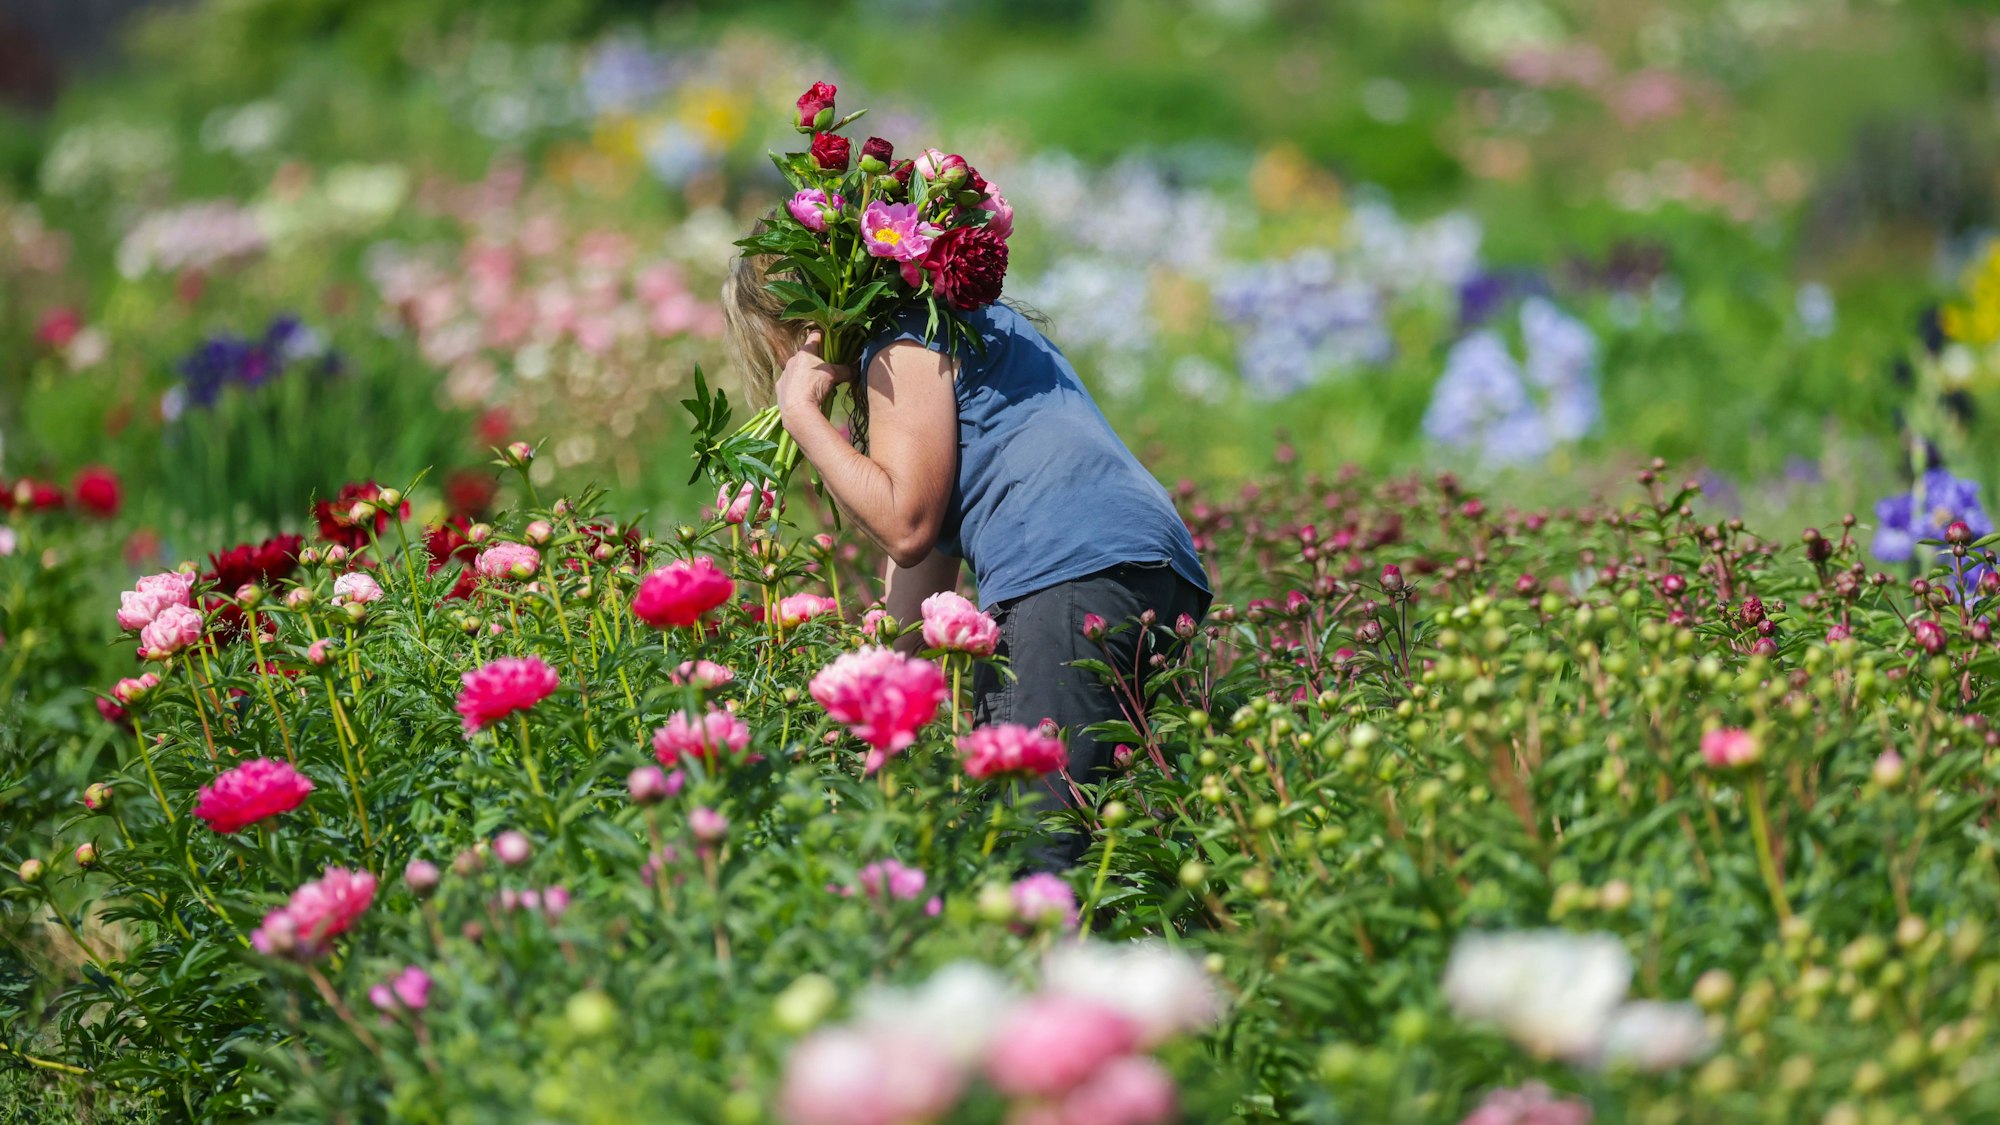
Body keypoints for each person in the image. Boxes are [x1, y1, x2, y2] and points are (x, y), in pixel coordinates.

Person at [724, 255, 1210, 866]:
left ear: (797, 326)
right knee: (1093, 837)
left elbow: (905, 526)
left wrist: (800, 415)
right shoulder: (961, 321)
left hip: (1064, 573)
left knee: (1031, 851)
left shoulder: (903, 343)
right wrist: (858, 723)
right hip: (1149, 566)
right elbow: (923, 576)